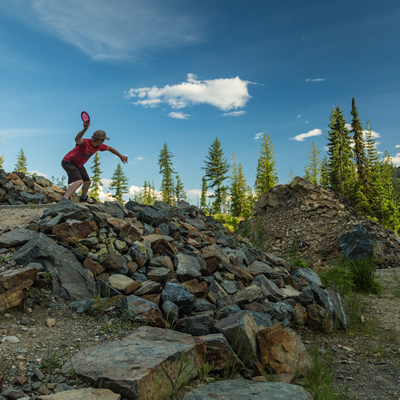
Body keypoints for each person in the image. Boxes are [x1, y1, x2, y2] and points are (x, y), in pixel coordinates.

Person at [61, 121, 128, 201]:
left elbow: (110, 149)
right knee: (79, 181)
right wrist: (84, 129)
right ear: (99, 140)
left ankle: (83, 198)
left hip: (78, 164)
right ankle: (64, 200)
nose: (103, 142)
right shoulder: (85, 143)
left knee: (87, 182)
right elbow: (77, 139)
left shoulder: (99, 146)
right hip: (68, 162)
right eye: (103, 140)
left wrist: (121, 156)